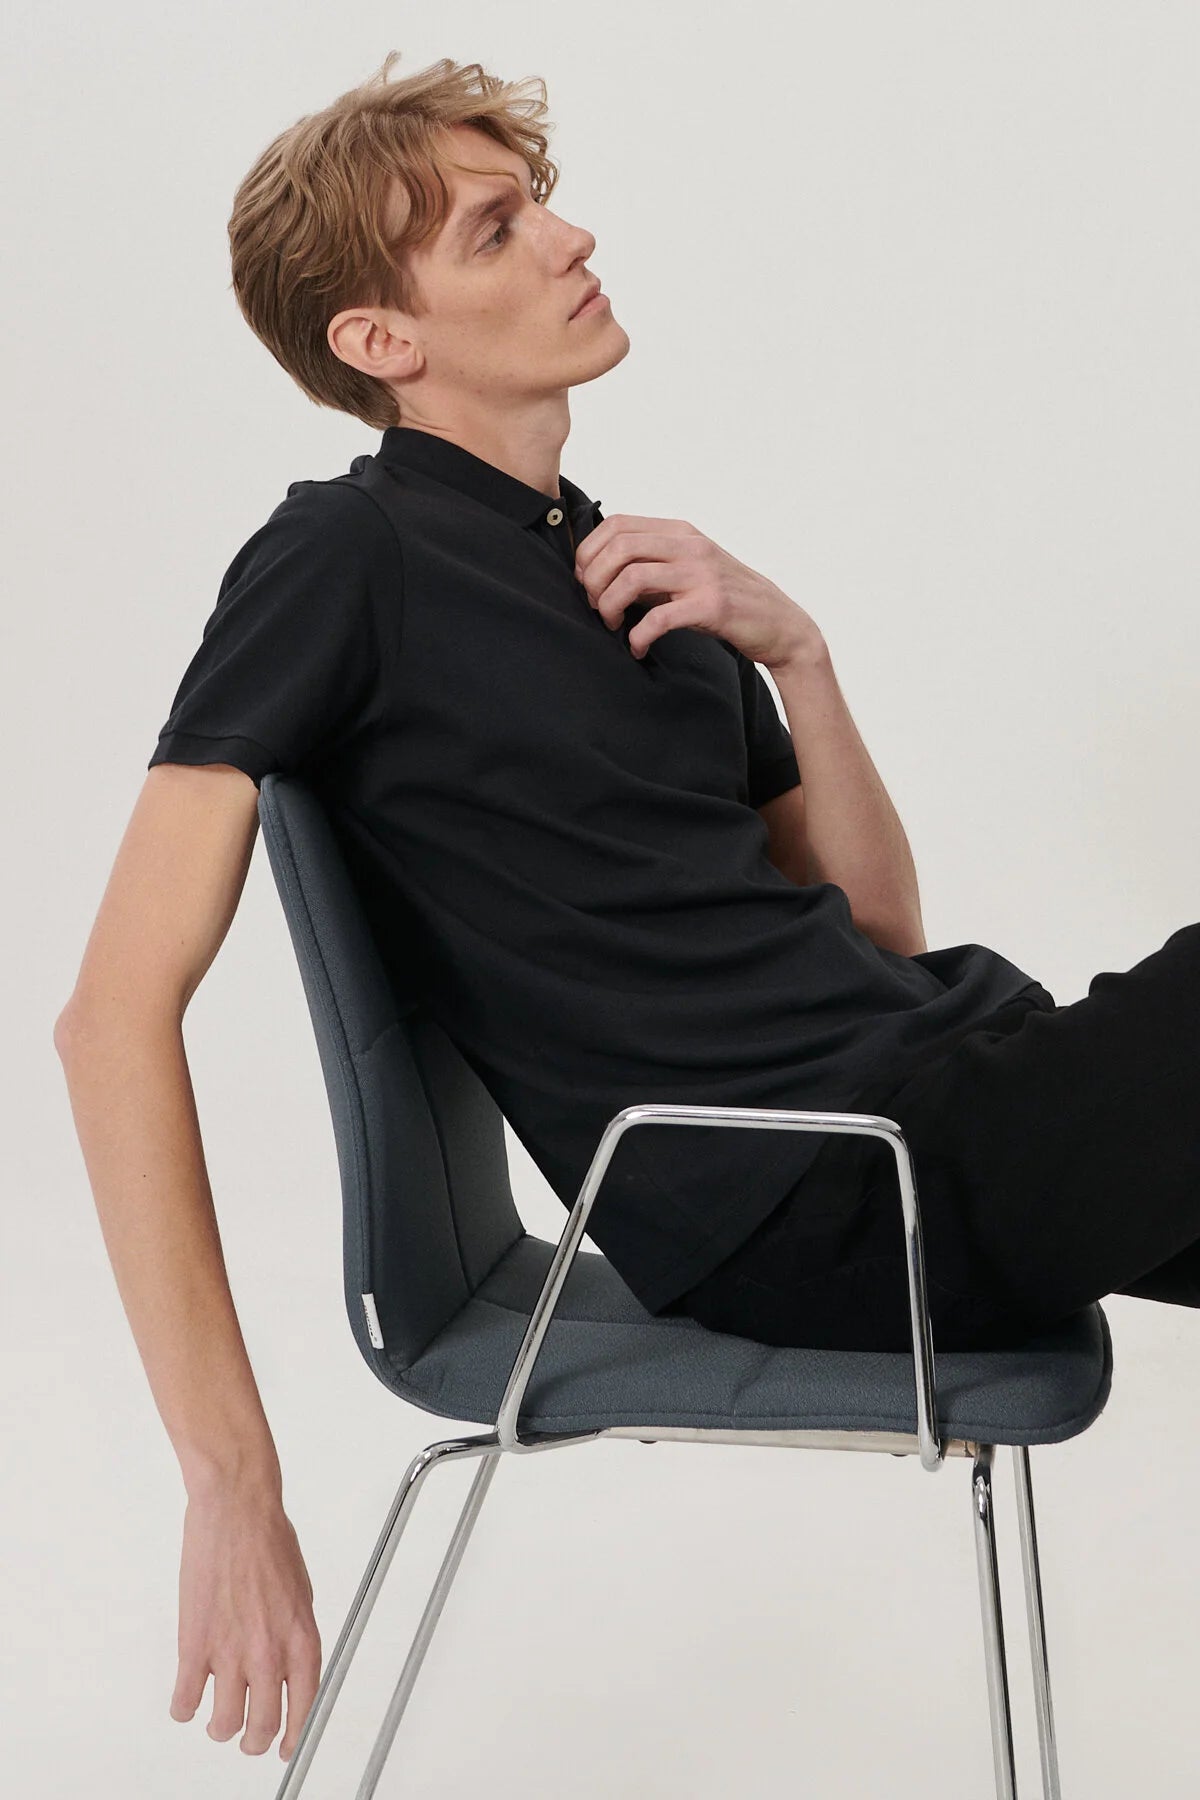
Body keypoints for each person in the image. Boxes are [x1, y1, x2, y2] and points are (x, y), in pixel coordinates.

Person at [53, 47, 1200, 1770]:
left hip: (961, 1093)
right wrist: (231, 1484)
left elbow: (876, 934)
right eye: (496, 229)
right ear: (381, 338)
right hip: (829, 1193)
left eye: (540, 203)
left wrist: (798, 653)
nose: (569, 236)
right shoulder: (344, 560)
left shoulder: (630, 577)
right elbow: (111, 1015)